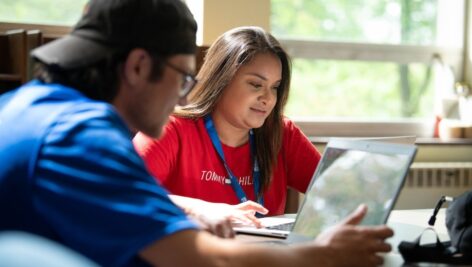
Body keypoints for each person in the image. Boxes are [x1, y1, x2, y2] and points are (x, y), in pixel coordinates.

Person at [0, 0, 393, 266]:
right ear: (139, 67)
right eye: (183, 76)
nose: (184, 93)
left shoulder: (23, 106)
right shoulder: (81, 137)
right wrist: (320, 254)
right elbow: (203, 259)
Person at [133, 26, 320, 224]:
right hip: (189, 252)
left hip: (263, 252)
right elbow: (122, 189)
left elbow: (341, 193)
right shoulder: (170, 129)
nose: (268, 98)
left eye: (274, 87)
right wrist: (200, 210)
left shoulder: (282, 133)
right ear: (221, 80)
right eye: (256, 84)